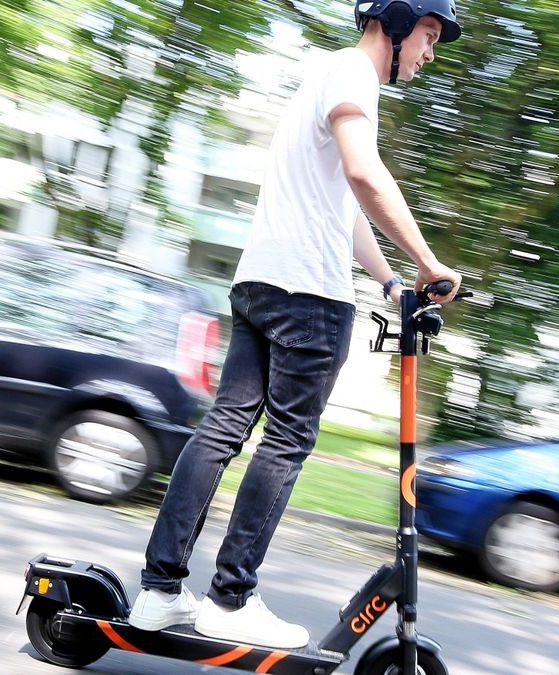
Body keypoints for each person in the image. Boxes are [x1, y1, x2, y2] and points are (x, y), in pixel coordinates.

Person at [128, 0, 464, 649]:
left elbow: (344, 205)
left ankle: (159, 590)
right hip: (309, 296)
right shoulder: (354, 77)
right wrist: (428, 261)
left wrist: (393, 279)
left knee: (222, 428)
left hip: (259, 280)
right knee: (286, 441)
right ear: (390, 27)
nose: (429, 53)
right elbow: (366, 176)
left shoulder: (324, 76)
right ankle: (230, 596)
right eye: (427, 36)